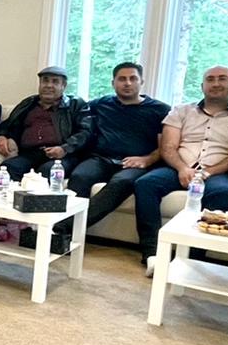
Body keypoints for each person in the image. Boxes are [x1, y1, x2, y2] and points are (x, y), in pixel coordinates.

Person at [132, 66, 228, 275]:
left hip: (217, 172)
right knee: (145, 184)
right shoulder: (181, 111)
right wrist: (182, 168)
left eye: (222, 79)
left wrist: (208, 172)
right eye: (210, 79)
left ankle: (191, 260)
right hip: (179, 166)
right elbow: (168, 147)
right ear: (202, 86)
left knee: (223, 193)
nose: (215, 84)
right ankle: (153, 254)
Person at [73, 63, 171, 227]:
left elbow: (166, 146)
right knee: (79, 176)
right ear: (113, 83)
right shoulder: (100, 104)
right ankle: (66, 227)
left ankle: (65, 228)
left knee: (121, 182)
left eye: (133, 78)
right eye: (122, 79)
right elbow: (75, 110)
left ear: (141, 82)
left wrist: (147, 159)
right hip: (101, 159)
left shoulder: (160, 109)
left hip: (135, 163)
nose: (127, 83)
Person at [0, 66, 92, 181]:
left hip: (62, 156)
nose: (49, 85)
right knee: (7, 168)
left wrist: (65, 148)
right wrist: (0, 136)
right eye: (45, 81)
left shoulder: (76, 104)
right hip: (29, 154)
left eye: (55, 81)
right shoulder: (28, 104)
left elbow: (85, 132)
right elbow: (7, 124)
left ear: (64, 86)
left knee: (48, 171)